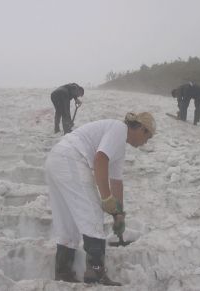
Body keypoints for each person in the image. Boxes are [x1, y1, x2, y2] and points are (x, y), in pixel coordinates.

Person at [44, 112, 156, 285]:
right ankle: (95, 272)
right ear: (142, 128)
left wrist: (119, 214)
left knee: (68, 221)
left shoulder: (119, 145)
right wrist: (106, 198)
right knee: (93, 212)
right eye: (147, 137)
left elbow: (116, 182)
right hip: (70, 159)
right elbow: (100, 159)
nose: (145, 143)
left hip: (56, 159)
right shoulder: (119, 129)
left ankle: (63, 272)